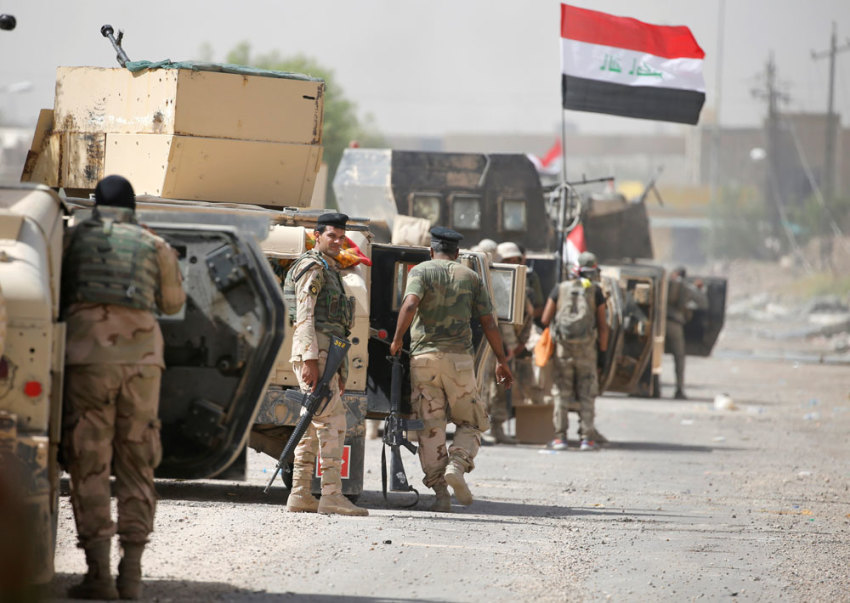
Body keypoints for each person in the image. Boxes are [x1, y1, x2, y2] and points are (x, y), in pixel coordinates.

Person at [61, 175, 185, 600]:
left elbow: (54, 294)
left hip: (87, 359)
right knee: (137, 461)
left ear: (95, 204)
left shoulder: (73, 239)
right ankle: (130, 575)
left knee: (89, 460)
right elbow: (172, 304)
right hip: (142, 362)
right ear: (133, 207)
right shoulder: (154, 244)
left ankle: (98, 576)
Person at [390, 226, 513, 512]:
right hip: (459, 361)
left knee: (431, 429)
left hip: (424, 361)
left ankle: (441, 495)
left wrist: (397, 340)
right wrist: (501, 360)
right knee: (472, 421)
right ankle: (456, 465)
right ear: (457, 254)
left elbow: (410, 305)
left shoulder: (420, 272)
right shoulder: (470, 277)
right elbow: (490, 322)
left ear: (431, 251)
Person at [282, 212, 368, 516]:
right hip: (315, 351)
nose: (337, 240)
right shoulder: (314, 267)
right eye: (331, 235)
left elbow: (335, 324)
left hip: (326, 352)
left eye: (341, 236)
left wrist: (339, 369)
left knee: (312, 423)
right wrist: (309, 358)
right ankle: (331, 494)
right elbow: (304, 314)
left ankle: (300, 493)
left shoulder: (330, 269)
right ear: (317, 236)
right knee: (334, 422)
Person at [540, 251, 609, 451]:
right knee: (587, 393)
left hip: (563, 351)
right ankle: (587, 439)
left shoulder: (560, 288)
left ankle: (560, 438)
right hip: (587, 352)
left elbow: (545, 319)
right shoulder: (595, 292)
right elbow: (603, 326)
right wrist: (602, 355)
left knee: (561, 393)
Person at [482, 241, 534, 445]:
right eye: (508, 260)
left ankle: (496, 427)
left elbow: (518, 317)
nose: (513, 262)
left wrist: (514, 345)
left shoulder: (514, 281)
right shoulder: (495, 280)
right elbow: (500, 319)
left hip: (502, 346)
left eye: (516, 259)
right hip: (489, 344)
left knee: (500, 388)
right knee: (486, 388)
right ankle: (483, 428)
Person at [665, 266, 708, 400]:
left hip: (659, 325)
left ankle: (647, 385)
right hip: (676, 325)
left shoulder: (665, 283)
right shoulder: (686, 287)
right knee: (679, 358)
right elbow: (703, 303)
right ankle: (679, 389)